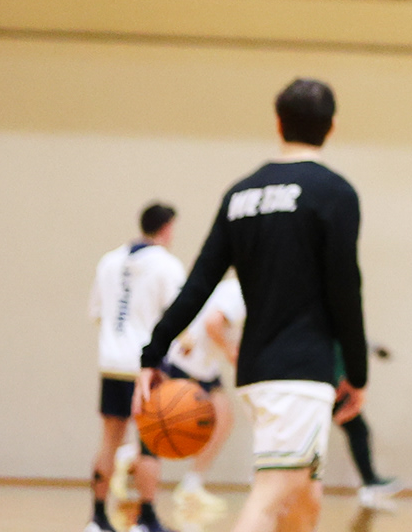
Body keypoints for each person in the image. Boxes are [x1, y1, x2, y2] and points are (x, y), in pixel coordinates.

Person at [135, 79, 369, 532]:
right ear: (332, 127)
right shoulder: (335, 192)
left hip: (256, 373)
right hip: (300, 373)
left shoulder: (240, 194)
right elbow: (346, 288)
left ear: (278, 123)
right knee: (272, 496)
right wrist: (356, 372)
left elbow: (199, 281)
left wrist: (154, 351)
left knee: (305, 501)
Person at [88, 203, 186, 532]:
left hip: (111, 362)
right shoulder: (167, 265)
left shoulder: (109, 261)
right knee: (149, 444)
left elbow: (98, 313)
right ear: (167, 228)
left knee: (109, 442)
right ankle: (146, 518)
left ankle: (98, 518)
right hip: (146, 366)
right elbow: (180, 318)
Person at [163, 273, 245, 522]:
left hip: (203, 364)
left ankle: (192, 484)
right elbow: (212, 323)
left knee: (223, 418)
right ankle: (129, 457)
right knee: (166, 426)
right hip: (189, 362)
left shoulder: (235, 289)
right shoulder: (239, 291)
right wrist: (233, 352)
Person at [333, 343, 401, 509]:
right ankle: (370, 482)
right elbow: (350, 341)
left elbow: (354, 342)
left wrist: (374, 348)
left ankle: (369, 482)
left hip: (331, 384)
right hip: (331, 385)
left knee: (358, 430)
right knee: (358, 430)